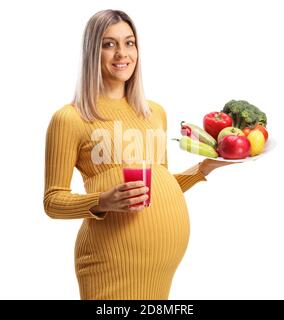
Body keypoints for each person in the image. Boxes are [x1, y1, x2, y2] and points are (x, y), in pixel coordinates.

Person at [43, 9, 232, 300]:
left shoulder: (154, 112)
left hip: (160, 269)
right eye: (109, 44)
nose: (122, 53)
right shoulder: (70, 118)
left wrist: (201, 170)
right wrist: (102, 201)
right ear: (92, 51)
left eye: (129, 42)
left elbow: (159, 185)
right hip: (110, 264)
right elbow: (52, 201)